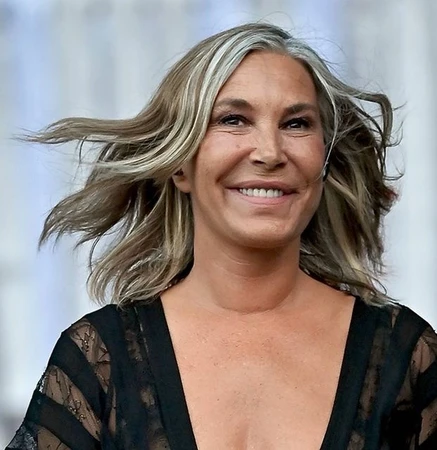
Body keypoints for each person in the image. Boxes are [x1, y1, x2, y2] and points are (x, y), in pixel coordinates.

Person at [6, 22, 437, 450]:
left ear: (323, 160)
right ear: (180, 164)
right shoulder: (99, 358)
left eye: (296, 124)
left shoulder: (405, 356)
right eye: (233, 120)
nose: (269, 152)